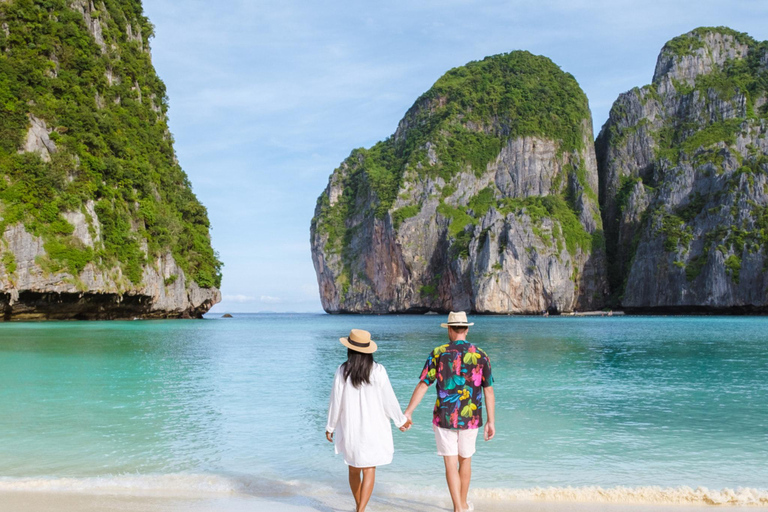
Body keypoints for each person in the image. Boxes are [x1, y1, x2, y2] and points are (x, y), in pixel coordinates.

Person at [403, 311, 495, 512]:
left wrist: (408, 411)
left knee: (450, 464)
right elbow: (488, 389)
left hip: (444, 416)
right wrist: (491, 421)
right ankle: (462, 504)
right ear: (467, 329)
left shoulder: (438, 353)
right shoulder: (481, 354)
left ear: (450, 329)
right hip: (471, 418)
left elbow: (423, 384)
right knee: (466, 460)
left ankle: (458, 507)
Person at [326, 329, 412, 512]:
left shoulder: (342, 371)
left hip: (351, 429)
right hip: (374, 428)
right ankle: (361, 509)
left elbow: (335, 402)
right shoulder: (378, 370)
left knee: (353, 468)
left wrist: (330, 426)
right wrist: (400, 420)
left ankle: (360, 508)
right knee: (369, 469)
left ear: (349, 350)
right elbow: (389, 399)